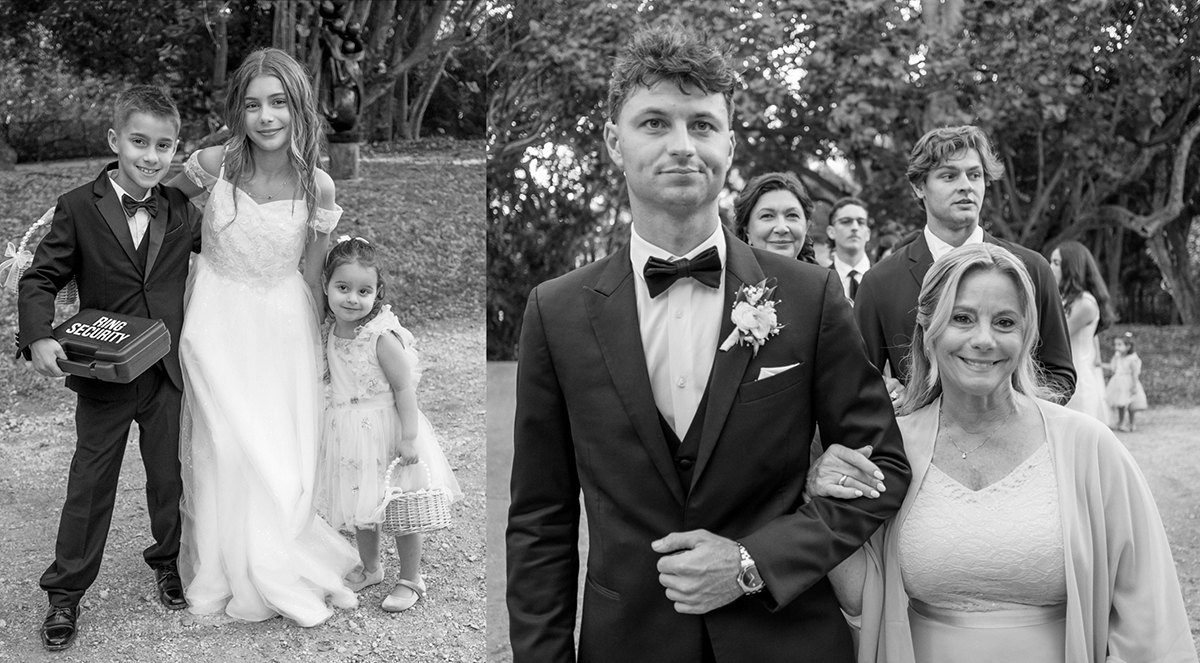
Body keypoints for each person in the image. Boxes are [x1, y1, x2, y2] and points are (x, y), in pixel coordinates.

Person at [506, 25, 910, 663]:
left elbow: (883, 467)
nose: (681, 146)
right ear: (613, 141)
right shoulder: (555, 311)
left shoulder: (809, 295)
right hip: (628, 644)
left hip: (786, 642)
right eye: (654, 123)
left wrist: (754, 561)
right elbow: (540, 520)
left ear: (728, 141)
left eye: (701, 124)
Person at [808, 243, 1196, 662]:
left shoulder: (1088, 447)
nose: (983, 340)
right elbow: (868, 602)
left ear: (1027, 335)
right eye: (962, 318)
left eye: (1005, 322)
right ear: (928, 327)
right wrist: (820, 497)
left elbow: (1147, 617)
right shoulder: (894, 450)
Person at [167, 48, 358, 626]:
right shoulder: (214, 164)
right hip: (215, 316)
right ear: (238, 111)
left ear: (298, 107)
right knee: (224, 443)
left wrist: (324, 345)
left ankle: (275, 560)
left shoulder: (317, 186)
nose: (265, 116)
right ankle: (225, 566)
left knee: (275, 450)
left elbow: (312, 271)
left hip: (281, 324)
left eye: (278, 103)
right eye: (252, 105)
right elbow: (157, 208)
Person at [15, 85, 202, 650]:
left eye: (164, 145)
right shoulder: (79, 205)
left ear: (176, 149)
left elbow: (229, 255)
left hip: (166, 372)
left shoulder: (181, 210)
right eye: (139, 142)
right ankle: (65, 593)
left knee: (171, 477)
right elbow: (41, 277)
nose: (151, 156)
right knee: (91, 482)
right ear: (114, 140)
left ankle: (170, 562)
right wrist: (39, 335)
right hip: (104, 373)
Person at [854, 125, 1075, 406]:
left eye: (974, 175)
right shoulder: (880, 282)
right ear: (919, 187)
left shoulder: (1032, 269)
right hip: (917, 432)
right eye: (949, 175)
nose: (966, 186)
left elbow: (1059, 375)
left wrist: (1008, 416)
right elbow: (857, 382)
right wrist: (889, 395)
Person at [315, 237, 463, 612]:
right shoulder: (330, 330)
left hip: (387, 431)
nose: (352, 299)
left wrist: (409, 437)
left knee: (400, 506)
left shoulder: (380, 337)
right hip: (350, 432)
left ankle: (411, 578)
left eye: (363, 291)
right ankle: (371, 567)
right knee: (362, 504)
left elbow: (403, 389)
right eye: (343, 288)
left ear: (377, 292)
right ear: (326, 286)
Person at [1048, 240, 1112, 423]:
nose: (1050, 268)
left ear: (1072, 267)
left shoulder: (1085, 303)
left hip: (1077, 384)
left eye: (1056, 263)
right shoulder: (1063, 299)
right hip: (1059, 378)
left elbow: (1055, 335)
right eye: (1051, 262)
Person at [731, 171, 817, 263]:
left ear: (807, 226)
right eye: (767, 216)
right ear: (746, 230)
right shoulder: (725, 272)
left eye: (792, 215)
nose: (781, 228)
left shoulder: (823, 272)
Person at [827, 197, 873, 302]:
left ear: (868, 233)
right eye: (846, 221)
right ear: (831, 232)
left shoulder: (886, 278)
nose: (855, 227)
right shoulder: (820, 282)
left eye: (861, 222)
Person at [1105, 332, 1147, 432]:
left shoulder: (1132, 359)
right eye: (1115, 344)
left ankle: (1132, 423)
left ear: (1128, 346)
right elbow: (1112, 367)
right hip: (1118, 383)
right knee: (1121, 404)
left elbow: (1135, 374)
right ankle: (1121, 422)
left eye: (1119, 345)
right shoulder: (1118, 356)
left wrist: (1134, 386)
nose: (1116, 347)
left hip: (1128, 383)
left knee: (1130, 405)